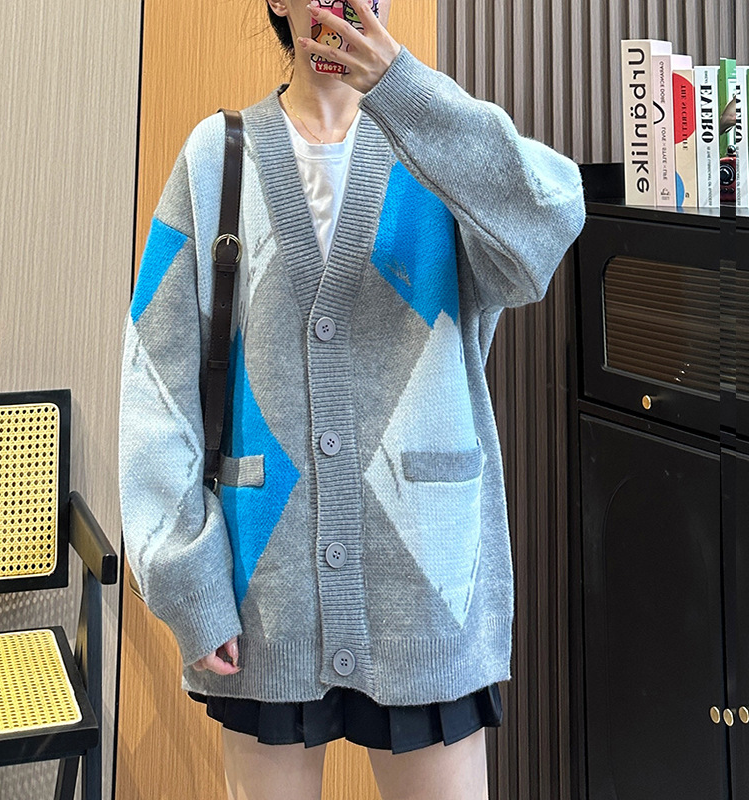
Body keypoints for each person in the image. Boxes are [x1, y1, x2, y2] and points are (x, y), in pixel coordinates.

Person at [118, 1, 586, 798]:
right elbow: (154, 385)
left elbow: (549, 218)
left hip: (427, 586)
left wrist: (402, 90)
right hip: (264, 593)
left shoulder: (437, 148)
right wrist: (186, 581)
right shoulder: (216, 158)